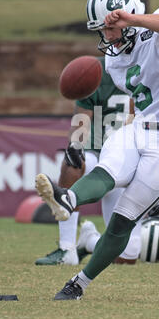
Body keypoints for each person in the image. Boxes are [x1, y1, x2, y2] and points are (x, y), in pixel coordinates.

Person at [35, 0, 159, 300]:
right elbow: (137, 95)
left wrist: (133, 20)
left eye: (110, 28)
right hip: (140, 126)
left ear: (130, 14)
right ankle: (67, 199)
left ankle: (78, 283)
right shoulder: (114, 60)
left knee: (124, 219)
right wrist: (131, 127)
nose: (106, 37)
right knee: (106, 168)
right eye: (101, 30)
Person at [35, 56, 141, 266]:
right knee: (73, 163)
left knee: (125, 257)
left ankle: (89, 241)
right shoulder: (97, 70)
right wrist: (75, 145)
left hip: (130, 163)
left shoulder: (150, 67)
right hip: (99, 156)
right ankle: (67, 249)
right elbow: (80, 122)